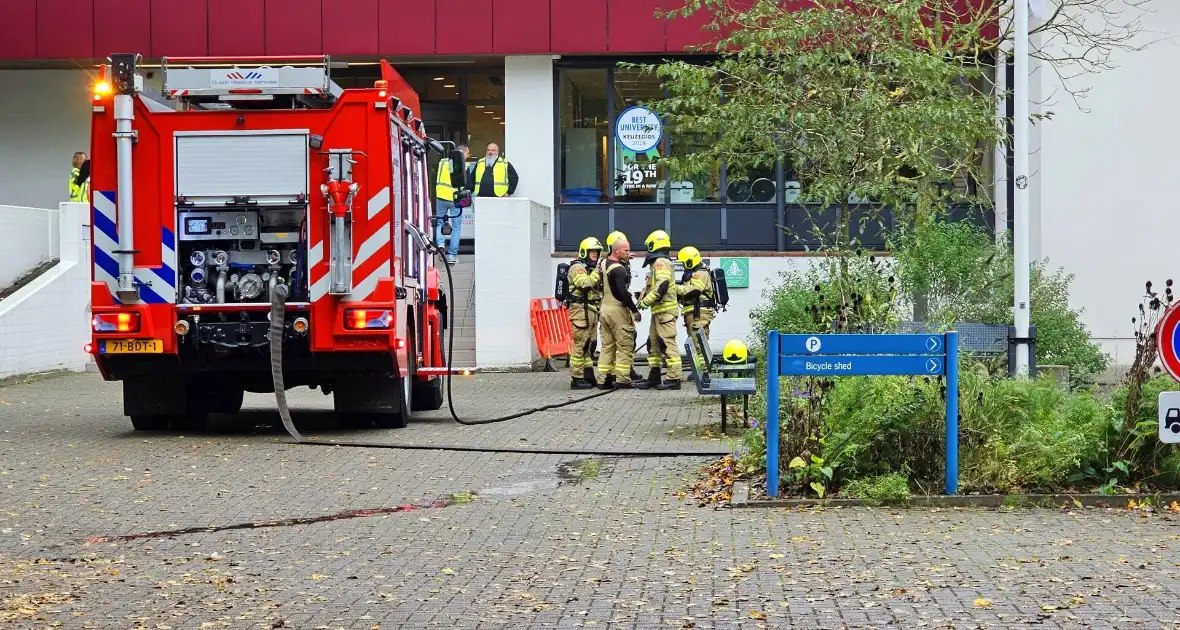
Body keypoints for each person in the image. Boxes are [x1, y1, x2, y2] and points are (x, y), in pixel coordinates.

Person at [635, 230, 682, 390]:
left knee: (667, 344)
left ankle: (674, 379)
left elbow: (662, 284)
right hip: (658, 313)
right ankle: (654, 377)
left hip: (665, 313)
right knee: (653, 345)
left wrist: (646, 301)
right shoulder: (658, 263)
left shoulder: (660, 262)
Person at [597, 237, 641, 389]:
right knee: (624, 345)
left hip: (604, 309)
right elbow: (623, 292)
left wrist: (626, 260)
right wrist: (635, 311)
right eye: (626, 251)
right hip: (617, 310)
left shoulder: (603, 263)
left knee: (607, 346)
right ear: (617, 251)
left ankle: (603, 379)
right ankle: (623, 380)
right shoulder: (619, 269)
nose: (629, 253)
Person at [566, 237, 604, 389]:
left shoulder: (590, 269)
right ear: (584, 252)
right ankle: (576, 378)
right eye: (592, 251)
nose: (595, 254)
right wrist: (597, 271)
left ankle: (588, 374)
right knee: (580, 344)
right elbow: (585, 284)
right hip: (580, 311)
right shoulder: (578, 268)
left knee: (590, 344)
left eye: (597, 252)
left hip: (592, 310)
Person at [676, 246, 716, 370]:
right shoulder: (695, 274)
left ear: (689, 261)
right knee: (696, 342)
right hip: (695, 313)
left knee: (698, 343)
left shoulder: (700, 273)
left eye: (684, 263)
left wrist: (674, 288)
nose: (683, 266)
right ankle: (701, 371)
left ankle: (702, 372)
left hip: (699, 314)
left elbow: (693, 291)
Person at [434, 144, 470, 264]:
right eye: (467, 154)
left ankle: (440, 247)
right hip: (455, 199)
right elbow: (467, 184)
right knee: (456, 227)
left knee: (440, 223)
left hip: (441, 197)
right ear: (462, 153)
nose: (468, 157)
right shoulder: (464, 165)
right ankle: (452, 255)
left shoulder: (443, 162)